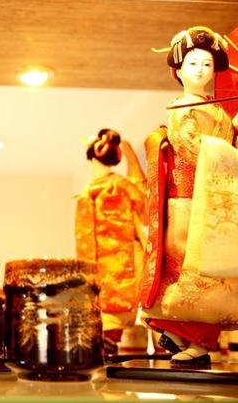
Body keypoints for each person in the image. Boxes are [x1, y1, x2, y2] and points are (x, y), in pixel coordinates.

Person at [139, 26, 238, 367]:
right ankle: (184, 335)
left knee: (212, 272)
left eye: (207, 64)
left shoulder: (216, 110)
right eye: (192, 63)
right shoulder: (182, 107)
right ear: (178, 70)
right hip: (187, 201)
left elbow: (228, 146)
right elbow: (193, 148)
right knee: (185, 270)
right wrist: (231, 158)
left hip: (210, 200)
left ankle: (195, 341)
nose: (200, 70)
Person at [75, 129, 146, 350]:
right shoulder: (106, 188)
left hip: (120, 264)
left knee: (114, 319)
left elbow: (145, 210)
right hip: (104, 267)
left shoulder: (113, 187)